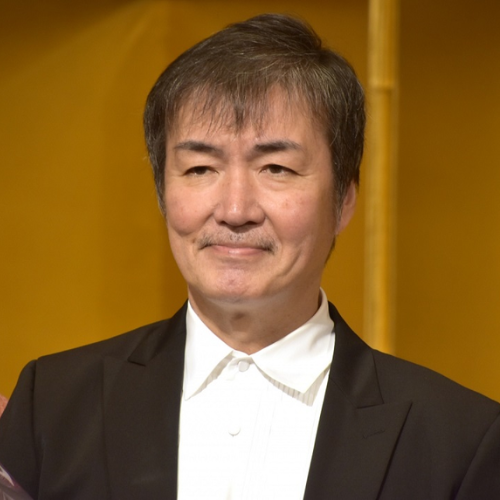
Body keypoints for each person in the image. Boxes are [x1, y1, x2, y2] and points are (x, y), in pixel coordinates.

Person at [0, 13, 499, 500]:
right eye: (200, 169)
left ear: (344, 200)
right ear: (162, 192)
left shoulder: (460, 441)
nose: (235, 211)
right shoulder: (52, 406)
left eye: (276, 168)